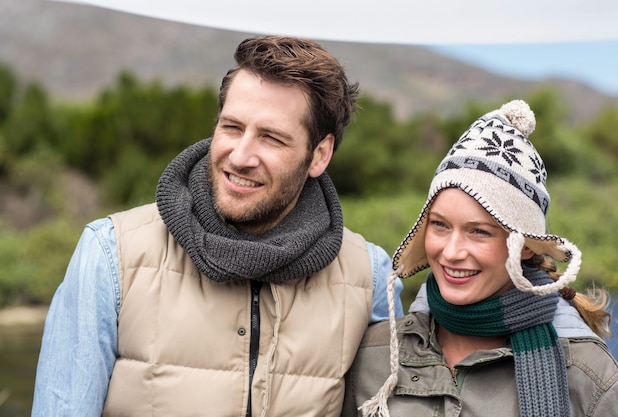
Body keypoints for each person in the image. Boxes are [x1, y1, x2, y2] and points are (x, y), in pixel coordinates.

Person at [31, 35, 403, 417]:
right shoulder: (110, 255)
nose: (240, 156)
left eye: (271, 138)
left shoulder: (369, 277)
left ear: (319, 155)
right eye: (231, 127)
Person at [342, 100, 618, 417]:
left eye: (479, 231)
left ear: (526, 246)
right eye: (439, 225)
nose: (451, 252)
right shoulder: (374, 353)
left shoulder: (590, 380)